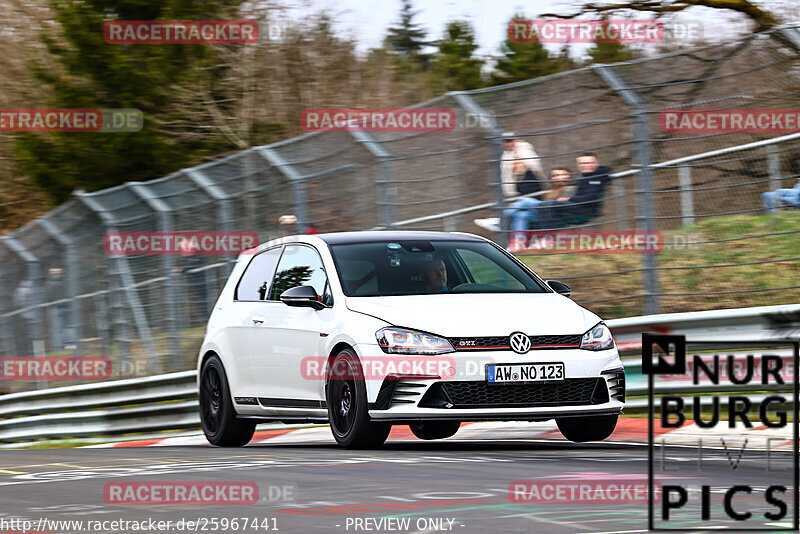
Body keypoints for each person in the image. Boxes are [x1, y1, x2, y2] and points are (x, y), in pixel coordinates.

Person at [474, 133, 544, 232]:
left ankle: (500, 220)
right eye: (506, 141)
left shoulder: (529, 174)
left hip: (533, 203)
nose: (515, 164)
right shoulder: (516, 177)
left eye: (510, 141)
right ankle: (518, 242)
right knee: (521, 216)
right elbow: (507, 185)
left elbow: (532, 195)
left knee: (523, 205)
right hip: (521, 203)